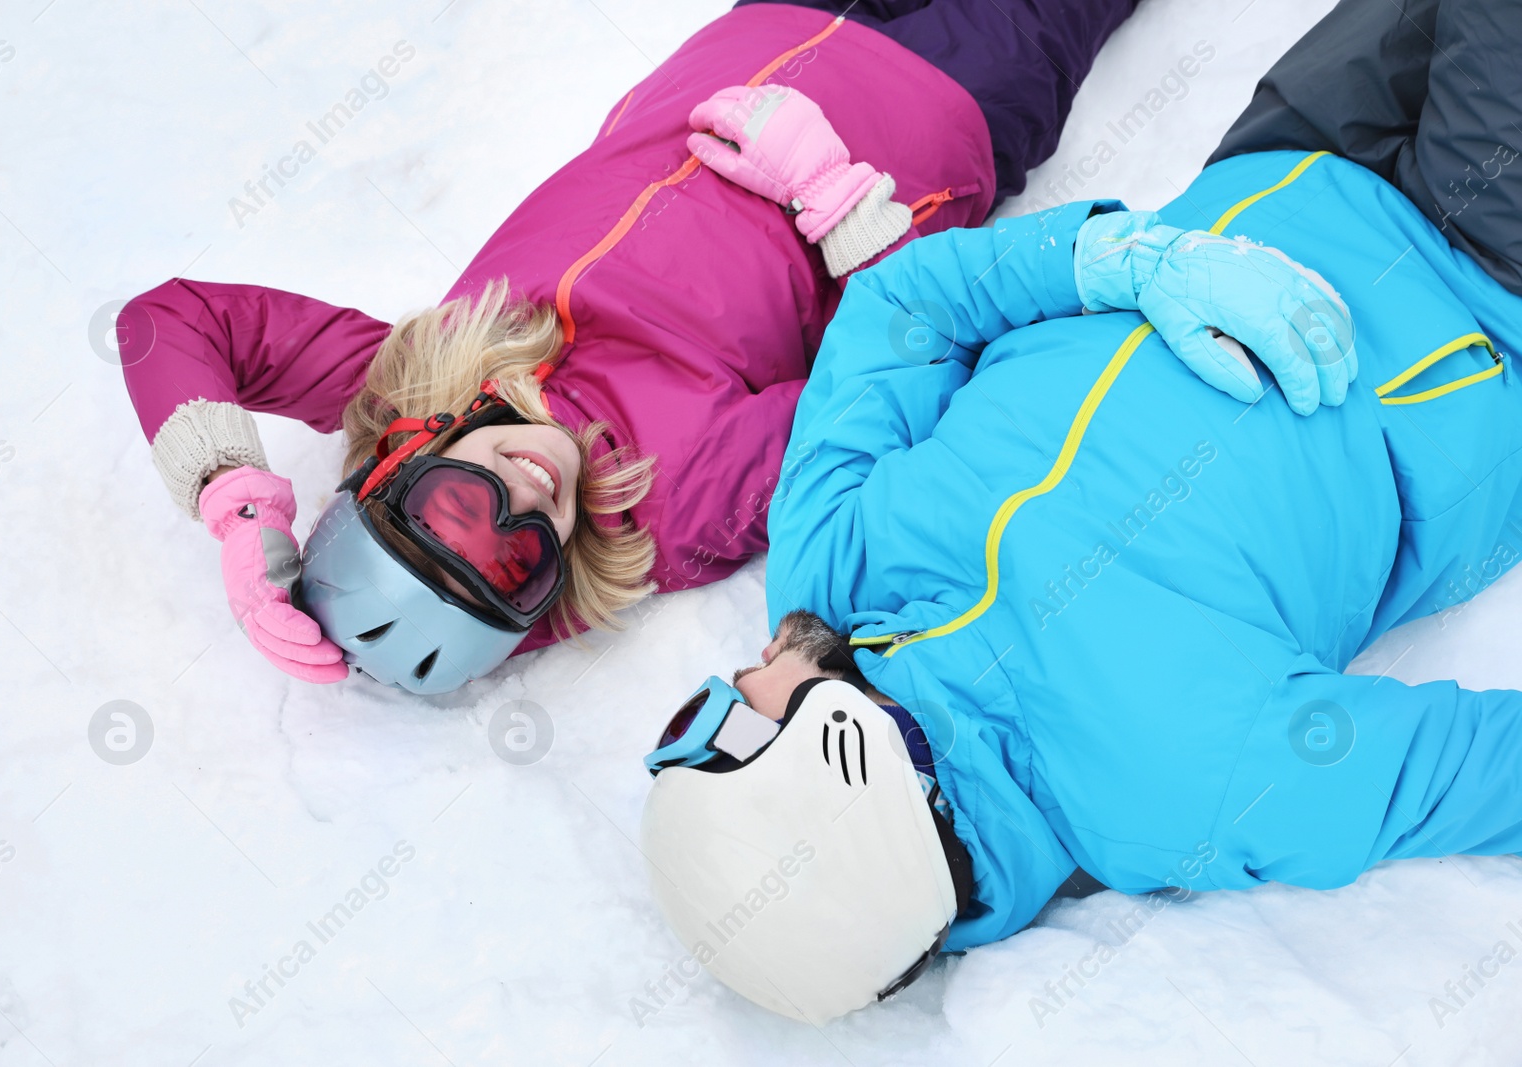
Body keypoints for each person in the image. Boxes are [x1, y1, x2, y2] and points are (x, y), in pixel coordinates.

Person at [640, 0, 1522, 1024]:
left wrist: (1111, 261)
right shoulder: (1181, 786)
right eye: (735, 710)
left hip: (1275, 163)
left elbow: (901, 307)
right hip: (1476, 283)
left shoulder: (833, 576)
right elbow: (1479, 767)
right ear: (841, 772)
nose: (736, 672)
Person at [114, 0, 1237, 692]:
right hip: (944, 102)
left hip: (768, 26)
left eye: (461, 505)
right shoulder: (676, 502)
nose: (524, 500)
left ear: (401, 456)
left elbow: (171, 322)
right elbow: (909, 366)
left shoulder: (417, 373)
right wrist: (842, 211)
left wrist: (236, 498)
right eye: (518, 559)